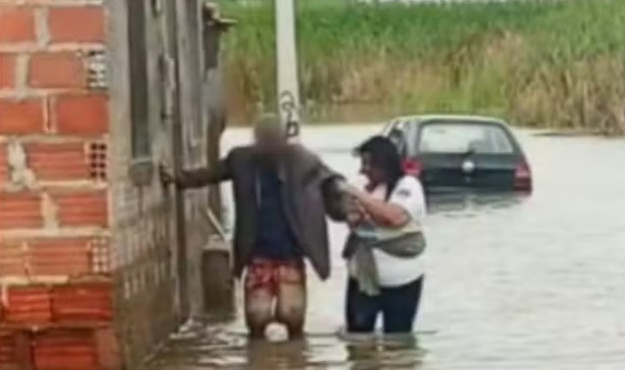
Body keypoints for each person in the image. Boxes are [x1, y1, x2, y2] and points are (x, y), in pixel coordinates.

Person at [161, 114, 347, 340]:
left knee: (291, 316)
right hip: (257, 252)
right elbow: (211, 174)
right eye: (265, 138)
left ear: (283, 138)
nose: (269, 143)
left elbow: (329, 180)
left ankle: (294, 362)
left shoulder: (302, 160)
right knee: (257, 317)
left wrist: (343, 202)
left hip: (290, 253)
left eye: (273, 137)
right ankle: (259, 364)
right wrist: (178, 179)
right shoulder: (242, 160)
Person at [341, 135, 427, 335]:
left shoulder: (409, 186)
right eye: (362, 164)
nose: (363, 170)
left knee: (398, 342)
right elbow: (349, 216)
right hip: (361, 279)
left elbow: (394, 218)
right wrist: (351, 209)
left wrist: (361, 198)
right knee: (358, 339)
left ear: (385, 164)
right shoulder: (360, 183)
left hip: (403, 281)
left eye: (368, 164)